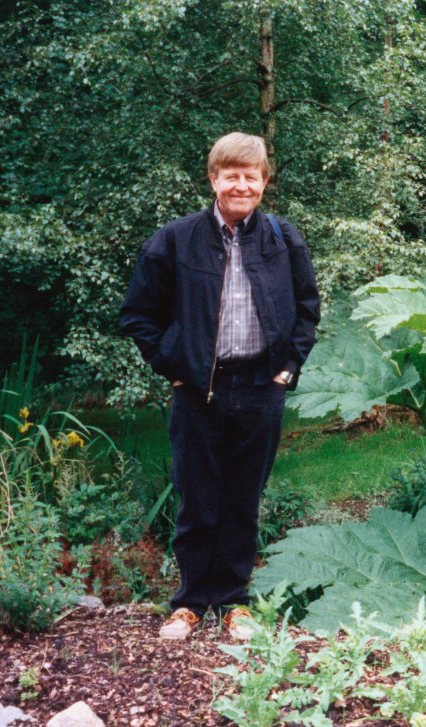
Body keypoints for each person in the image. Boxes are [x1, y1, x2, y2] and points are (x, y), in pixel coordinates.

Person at [119, 132, 320, 640]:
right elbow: (139, 316)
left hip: (260, 387)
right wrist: (174, 366)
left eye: (251, 176)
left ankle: (234, 602)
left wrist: (286, 370)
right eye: (231, 175)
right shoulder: (175, 239)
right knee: (197, 497)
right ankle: (189, 602)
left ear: (264, 183)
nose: (241, 184)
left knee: (242, 498)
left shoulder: (282, 237)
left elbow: (307, 310)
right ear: (213, 179)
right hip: (197, 390)